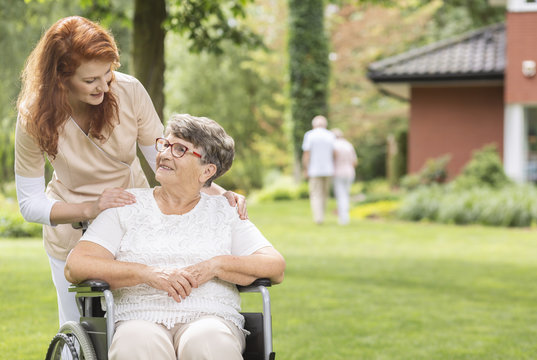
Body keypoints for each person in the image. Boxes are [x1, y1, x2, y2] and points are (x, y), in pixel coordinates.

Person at [14, 16, 246, 328]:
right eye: (90, 79)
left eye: (108, 72)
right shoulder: (34, 116)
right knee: (80, 329)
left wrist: (221, 195)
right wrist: (91, 208)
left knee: (137, 322)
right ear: (60, 77)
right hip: (70, 233)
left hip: (133, 226)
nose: (104, 84)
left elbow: (168, 163)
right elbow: (30, 204)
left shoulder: (128, 91)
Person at [65, 114, 286, 360]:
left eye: (180, 149)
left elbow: (275, 266)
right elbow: (76, 265)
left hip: (210, 317)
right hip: (138, 316)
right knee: (136, 345)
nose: (165, 154)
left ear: (207, 171)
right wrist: (147, 273)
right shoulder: (126, 206)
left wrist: (216, 265)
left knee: (209, 344)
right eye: (166, 145)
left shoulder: (224, 212)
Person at [302, 115, 336, 224]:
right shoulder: (330, 135)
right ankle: (321, 215)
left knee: (316, 194)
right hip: (328, 169)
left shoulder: (309, 135)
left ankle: (318, 217)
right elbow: (334, 153)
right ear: (325, 125)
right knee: (324, 194)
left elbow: (307, 154)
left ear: (313, 125)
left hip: (314, 170)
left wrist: (306, 168)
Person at [332, 128, 358, 225]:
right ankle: (345, 216)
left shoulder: (334, 145)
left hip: (338, 173)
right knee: (346, 195)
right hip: (350, 173)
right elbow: (354, 162)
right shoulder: (348, 145)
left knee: (340, 195)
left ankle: (343, 218)